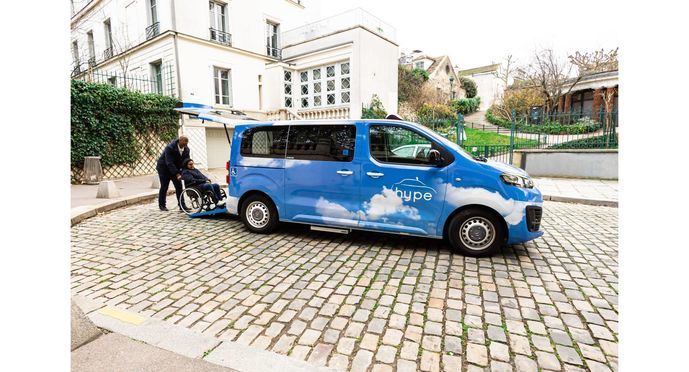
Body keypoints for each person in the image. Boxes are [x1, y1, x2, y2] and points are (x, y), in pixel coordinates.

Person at [156, 135, 190, 211]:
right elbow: (169, 163)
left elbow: (186, 161)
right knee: (164, 186)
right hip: (164, 169)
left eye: (186, 144)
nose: (185, 146)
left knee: (179, 187)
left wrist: (186, 171)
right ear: (179, 141)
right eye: (184, 144)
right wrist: (177, 174)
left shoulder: (186, 149)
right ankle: (162, 205)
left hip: (175, 169)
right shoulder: (170, 148)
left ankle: (182, 206)